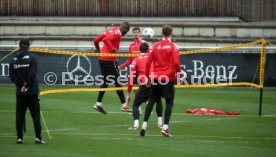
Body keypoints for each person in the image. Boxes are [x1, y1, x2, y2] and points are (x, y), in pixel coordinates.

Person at [140, 25, 182, 138]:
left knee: (152, 100)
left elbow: (148, 63)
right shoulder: (173, 46)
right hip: (168, 78)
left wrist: (148, 77)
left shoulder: (155, 46)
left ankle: (144, 124)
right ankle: (165, 127)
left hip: (156, 77)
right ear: (171, 33)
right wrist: (180, 75)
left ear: (162, 33)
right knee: (169, 102)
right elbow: (177, 64)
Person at [9, 39, 45, 144]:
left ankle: (19, 138)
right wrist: (27, 85)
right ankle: (38, 138)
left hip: (20, 92)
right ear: (28, 46)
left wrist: (20, 85)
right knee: (36, 115)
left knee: (19, 115)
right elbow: (32, 73)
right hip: (32, 92)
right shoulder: (32, 58)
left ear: (19, 46)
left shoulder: (13, 59)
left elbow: (11, 75)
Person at [93, 22, 130, 114]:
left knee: (106, 81)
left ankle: (98, 103)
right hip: (110, 60)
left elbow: (96, 40)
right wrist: (113, 48)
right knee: (117, 82)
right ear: (125, 30)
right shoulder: (118, 33)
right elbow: (105, 40)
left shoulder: (111, 30)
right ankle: (124, 105)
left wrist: (97, 49)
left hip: (102, 59)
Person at [127, 42, 163, 130]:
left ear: (139, 50)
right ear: (148, 49)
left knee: (136, 104)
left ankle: (136, 124)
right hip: (155, 82)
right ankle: (160, 122)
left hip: (145, 84)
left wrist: (128, 92)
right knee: (158, 100)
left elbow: (132, 77)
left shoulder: (136, 60)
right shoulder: (153, 58)